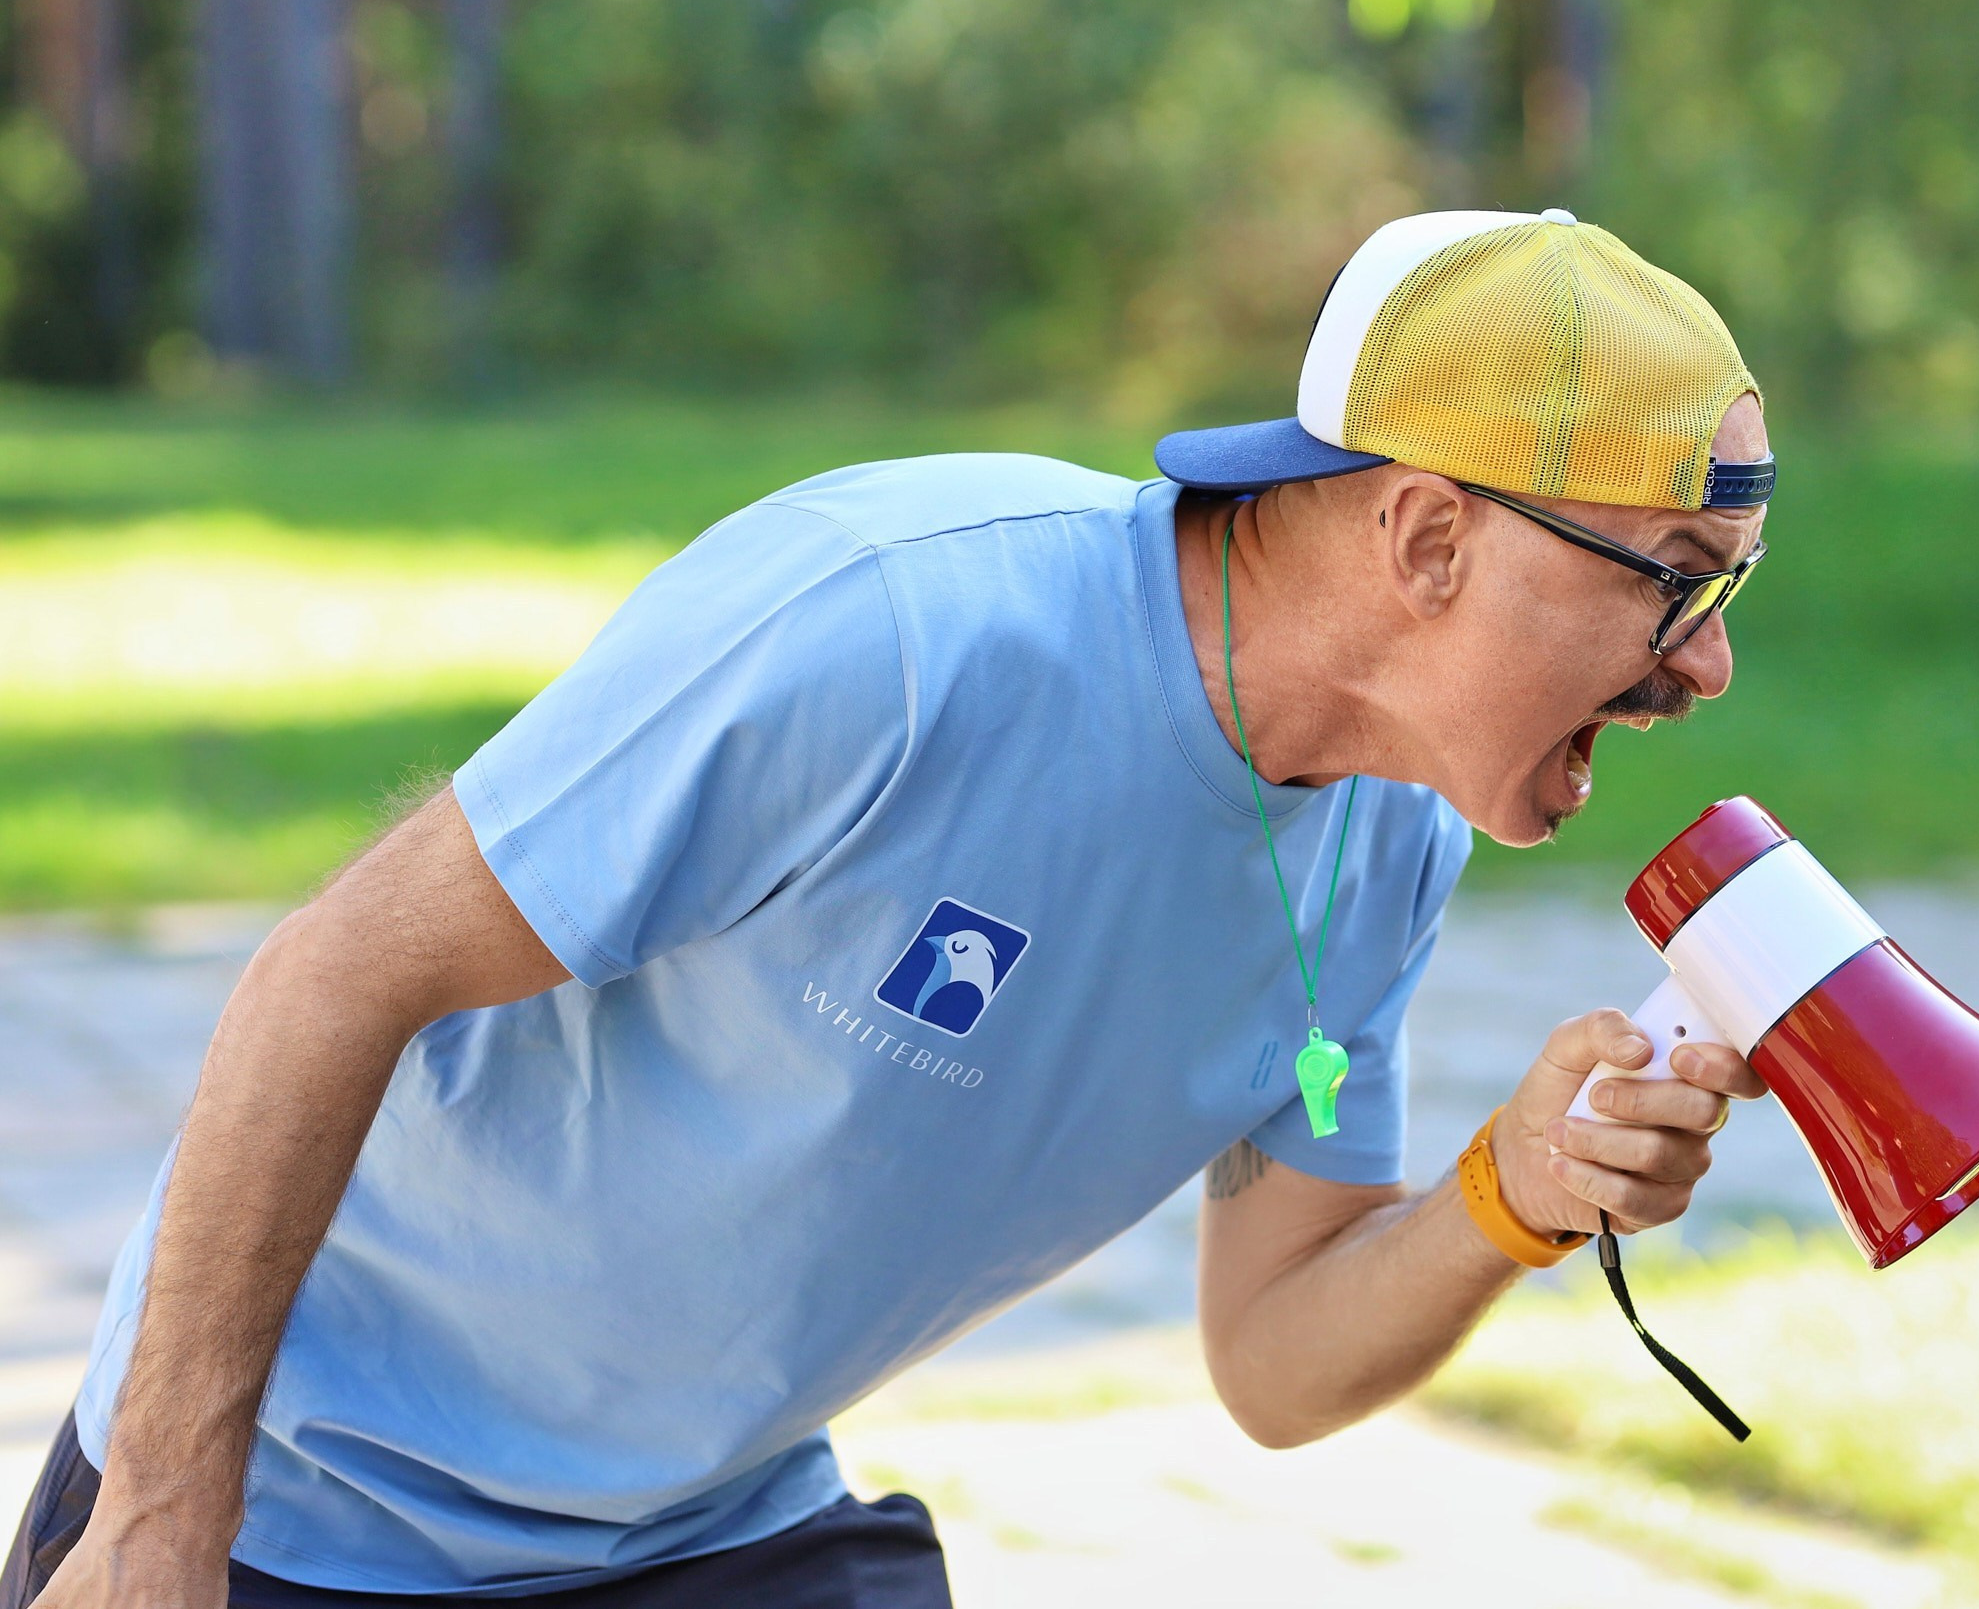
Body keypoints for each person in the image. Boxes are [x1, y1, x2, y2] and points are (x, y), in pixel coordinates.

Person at [7, 209, 1777, 1608]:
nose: (1703, 666)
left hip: (701, 1534)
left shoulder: (1391, 839)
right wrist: (161, 1513)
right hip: (298, 1505)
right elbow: (331, 976)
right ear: (1428, 538)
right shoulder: (901, 631)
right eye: (1673, 582)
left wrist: (1512, 1191)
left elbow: (1271, 1355)